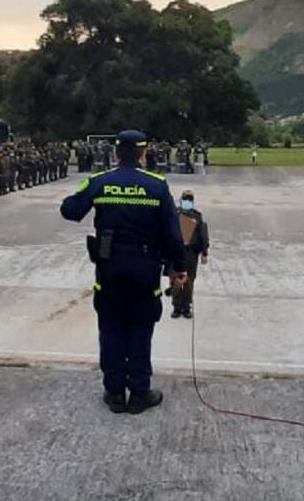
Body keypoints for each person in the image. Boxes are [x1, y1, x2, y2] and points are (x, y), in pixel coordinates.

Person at [60, 129, 187, 415]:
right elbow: (173, 235)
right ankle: (140, 393)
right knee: (141, 330)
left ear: (116, 153)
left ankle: (115, 393)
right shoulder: (157, 185)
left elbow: (69, 210)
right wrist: (177, 269)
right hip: (145, 270)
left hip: (109, 270)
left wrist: (88, 190)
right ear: (143, 153)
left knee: (112, 328)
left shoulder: (100, 182)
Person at [169, 190, 209, 319]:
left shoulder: (196, 216)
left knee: (189, 280)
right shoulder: (174, 214)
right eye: (186, 199)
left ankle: (186, 307)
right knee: (176, 280)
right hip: (176, 252)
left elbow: (203, 235)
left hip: (190, 253)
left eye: (189, 199)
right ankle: (177, 306)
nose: (187, 201)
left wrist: (204, 252)